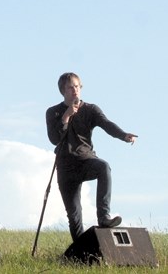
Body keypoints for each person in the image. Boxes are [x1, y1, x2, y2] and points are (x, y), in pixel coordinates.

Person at [45, 72, 137, 241]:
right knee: (74, 216)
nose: (74, 90)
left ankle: (103, 217)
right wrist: (66, 116)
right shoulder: (53, 112)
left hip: (85, 160)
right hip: (65, 167)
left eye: (77, 86)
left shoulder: (90, 109)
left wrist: (123, 135)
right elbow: (54, 139)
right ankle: (80, 253)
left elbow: (107, 124)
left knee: (103, 167)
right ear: (62, 91)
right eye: (70, 87)